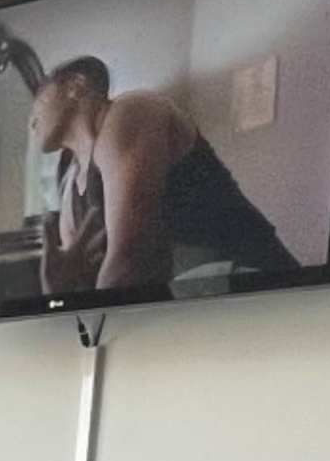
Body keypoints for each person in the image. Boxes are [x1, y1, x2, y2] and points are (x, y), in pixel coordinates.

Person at [30, 55, 302, 293]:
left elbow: (128, 260)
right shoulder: (70, 187)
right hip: (187, 308)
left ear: (75, 85)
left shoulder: (129, 112)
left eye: (38, 101)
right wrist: (60, 295)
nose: (31, 122)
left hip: (256, 282)